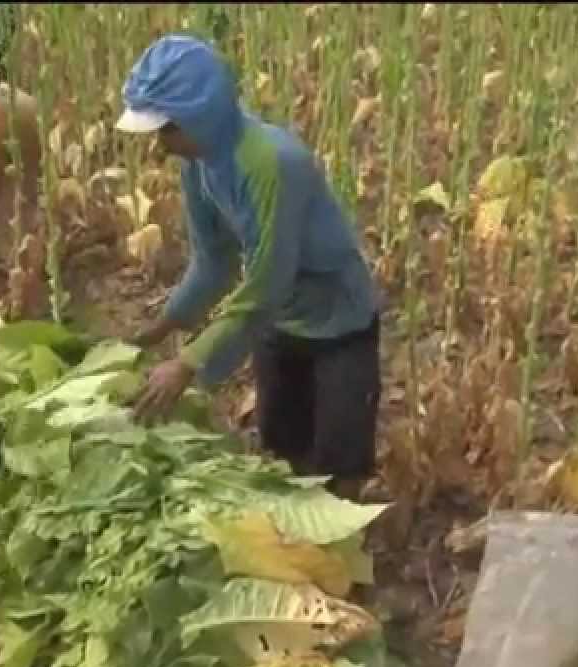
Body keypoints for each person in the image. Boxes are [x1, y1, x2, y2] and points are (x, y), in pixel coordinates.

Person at [114, 35, 383, 497]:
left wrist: (188, 362)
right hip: (280, 321)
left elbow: (266, 281)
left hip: (338, 320)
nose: (161, 146)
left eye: (167, 130)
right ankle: (297, 539)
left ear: (200, 113)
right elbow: (214, 262)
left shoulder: (273, 164)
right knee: (282, 445)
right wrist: (161, 328)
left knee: (338, 458)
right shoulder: (198, 163)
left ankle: (342, 550)